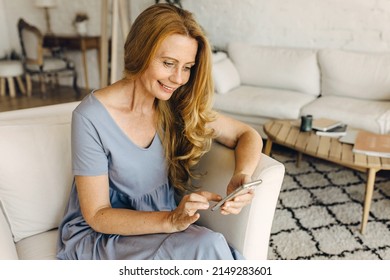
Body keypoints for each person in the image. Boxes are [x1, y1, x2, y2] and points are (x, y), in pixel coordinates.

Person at [56, 3, 263, 260]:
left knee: (211, 245)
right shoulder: (90, 118)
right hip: (104, 236)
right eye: (168, 63)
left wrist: (242, 173)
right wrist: (171, 220)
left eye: (187, 67)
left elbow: (247, 135)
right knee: (207, 246)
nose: (178, 78)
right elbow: (98, 215)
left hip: (163, 226)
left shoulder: (174, 105)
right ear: (140, 52)